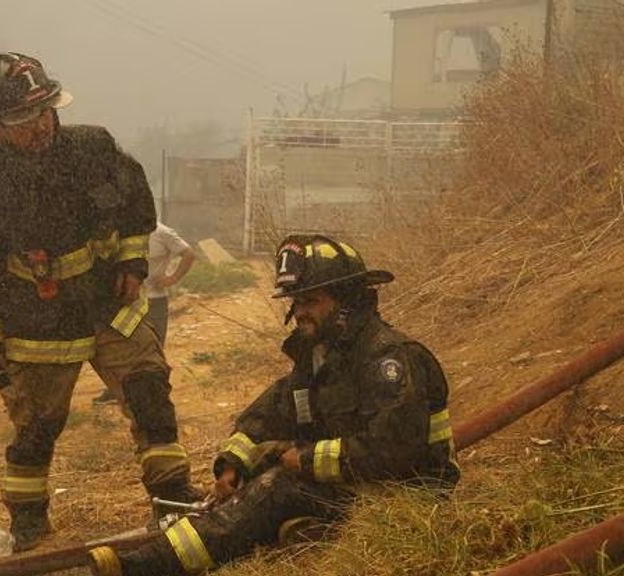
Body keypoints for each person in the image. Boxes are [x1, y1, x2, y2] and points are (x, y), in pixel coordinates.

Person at [88, 234, 460, 576]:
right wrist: (233, 465)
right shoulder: (319, 359)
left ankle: (152, 566)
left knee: (278, 486)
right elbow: (268, 416)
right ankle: (292, 528)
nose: (299, 312)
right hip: (356, 489)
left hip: (405, 497)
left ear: (347, 301)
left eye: (311, 300)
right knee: (267, 468)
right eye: (296, 301)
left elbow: (394, 451)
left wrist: (305, 460)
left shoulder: (387, 359)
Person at [0, 52, 202, 552]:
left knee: (150, 391)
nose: (39, 127)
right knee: (36, 427)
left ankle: (173, 500)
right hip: (37, 321)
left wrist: (132, 266)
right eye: (24, 120)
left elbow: (137, 206)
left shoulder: (95, 148)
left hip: (107, 305)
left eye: (44, 112)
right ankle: (29, 524)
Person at [92, 222, 195, 405]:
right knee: (123, 348)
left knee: (153, 352)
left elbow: (188, 253)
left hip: (154, 301)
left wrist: (172, 279)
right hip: (129, 302)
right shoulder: (122, 231)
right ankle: (116, 391)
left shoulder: (162, 232)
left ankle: (156, 398)